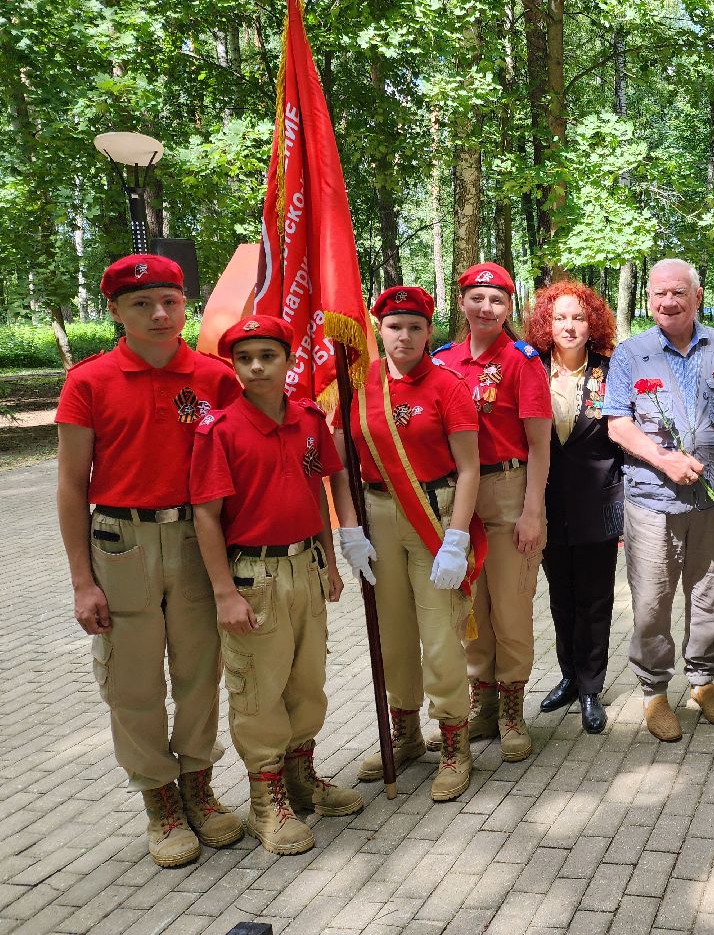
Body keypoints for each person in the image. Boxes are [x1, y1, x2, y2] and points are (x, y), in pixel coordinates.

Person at [55, 253, 244, 868]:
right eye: (142, 304)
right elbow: (70, 484)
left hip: (196, 540)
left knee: (199, 672)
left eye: (170, 301)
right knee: (132, 681)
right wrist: (83, 581)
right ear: (116, 311)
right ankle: (159, 799)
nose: (160, 314)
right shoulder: (90, 382)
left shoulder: (215, 378)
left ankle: (199, 786)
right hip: (122, 544)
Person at [190, 316, 364, 855]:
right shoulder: (219, 430)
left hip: (305, 566)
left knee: (307, 680)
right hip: (254, 576)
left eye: (268, 355)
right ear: (234, 367)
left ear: (289, 361)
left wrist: (330, 563)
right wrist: (224, 593)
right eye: (245, 359)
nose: (257, 367)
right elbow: (206, 516)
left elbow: (319, 494)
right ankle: (267, 803)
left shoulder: (309, 420)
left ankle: (301, 778)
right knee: (258, 690)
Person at [334, 286, 483, 802]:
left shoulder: (448, 386)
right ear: (379, 330)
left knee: (439, 631)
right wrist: (348, 528)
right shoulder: (358, 385)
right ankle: (406, 734)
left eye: (415, 327)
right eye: (395, 326)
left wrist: (457, 538)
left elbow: (469, 468)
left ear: (428, 331)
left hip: (432, 516)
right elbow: (342, 464)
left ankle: (454, 742)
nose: (405, 336)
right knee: (391, 632)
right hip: (375, 516)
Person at [602, 258, 714, 742]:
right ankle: (654, 692)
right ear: (649, 298)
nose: (668, 302)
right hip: (652, 500)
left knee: (710, 596)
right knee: (651, 603)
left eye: (678, 293)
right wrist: (664, 459)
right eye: (659, 294)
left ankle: (703, 681)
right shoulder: (631, 354)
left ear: (698, 296)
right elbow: (617, 422)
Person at [433, 263, 551, 762]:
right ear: (461, 302)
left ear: (510, 307)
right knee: (469, 606)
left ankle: (511, 709)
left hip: (507, 489)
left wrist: (532, 512)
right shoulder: (441, 362)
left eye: (497, 300)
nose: (486, 308)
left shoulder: (523, 362)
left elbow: (540, 447)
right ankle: (480, 701)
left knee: (509, 606)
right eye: (477, 298)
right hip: (459, 498)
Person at [525, 281, 623, 734]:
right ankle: (567, 675)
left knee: (596, 599)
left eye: (578, 317)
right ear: (547, 323)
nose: (569, 325)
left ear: (592, 324)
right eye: (560, 317)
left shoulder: (611, 370)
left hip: (599, 502)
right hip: (545, 505)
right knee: (561, 598)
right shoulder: (531, 369)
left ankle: (591, 686)